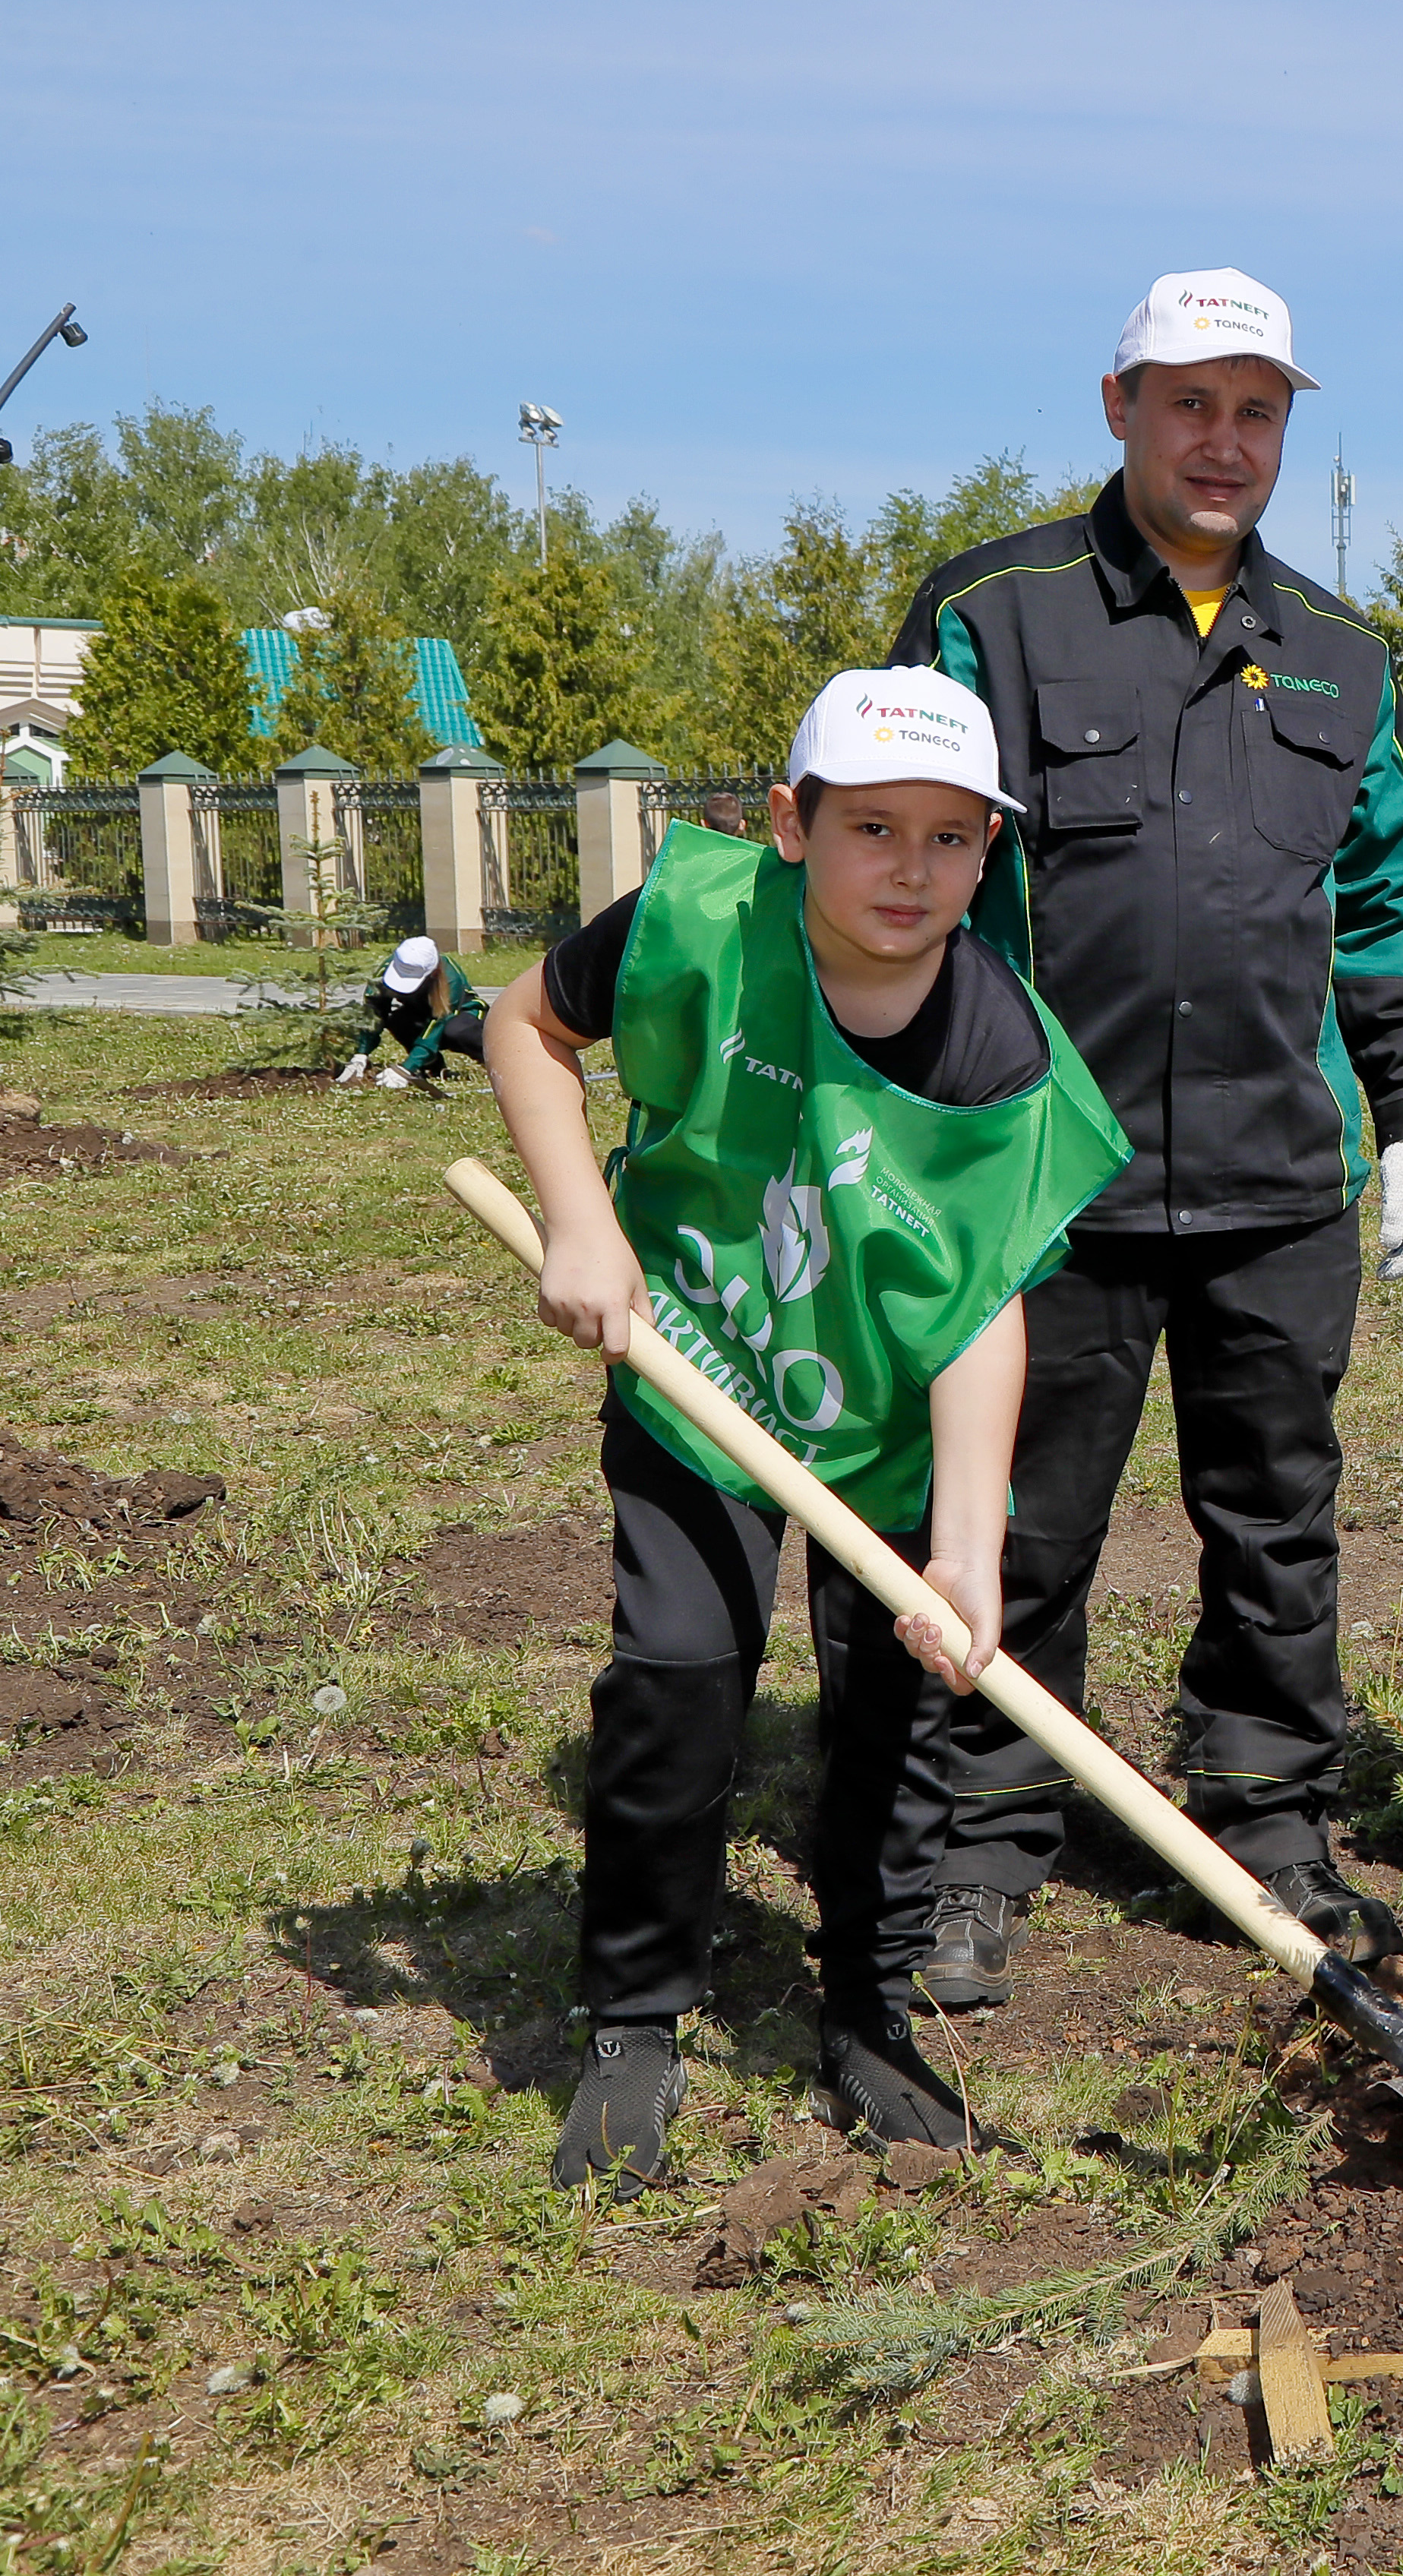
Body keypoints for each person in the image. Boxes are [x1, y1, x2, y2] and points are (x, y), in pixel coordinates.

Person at [887, 268, 1403, 2007]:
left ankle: (1267, 1811)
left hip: (1280, 1188)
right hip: (1043, 1191)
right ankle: (979, 1842)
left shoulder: (1341, 660)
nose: (1224, 441)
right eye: (1190, 402)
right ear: (1118, 402)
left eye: (1258, 409)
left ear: (1289, 426)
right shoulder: (995, 614)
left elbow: (1382, 899)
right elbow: (908, 869)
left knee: (1276, 1514)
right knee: (1020, 1524)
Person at [484, 668, 1131, 2187]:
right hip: (702, 1371)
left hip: (888, 1420)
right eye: (873, 829)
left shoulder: (1002, 1060)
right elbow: (526, 1030)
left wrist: (966, 1557)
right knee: (680, 1680)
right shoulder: (694, 924)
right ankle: (639, 2012)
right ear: (792, 824)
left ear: (991, 853)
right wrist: (580, 1223)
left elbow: (979, 1307)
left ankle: (864, 2006)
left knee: (897, 1722)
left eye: (953, 839)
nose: (912, 871)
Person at [339, 935, 485, 1090]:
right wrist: (361, 1055)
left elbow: (436, 1028)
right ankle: (433, 1067)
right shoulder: (386, 969)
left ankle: (494, 1061)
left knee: (455, 1031)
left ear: (432, 974)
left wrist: (406, 1068)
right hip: (420, 1013)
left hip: (464, 1016)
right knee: (398, 1021)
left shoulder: (449, 979)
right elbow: (374, 1011)